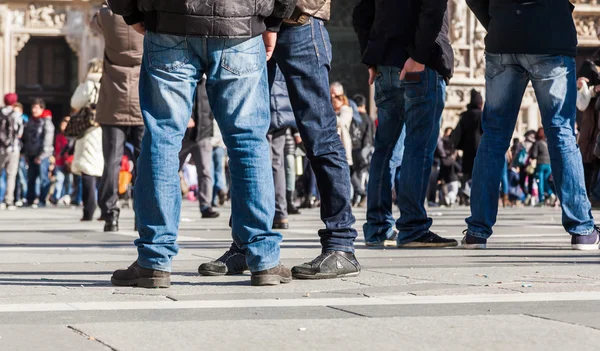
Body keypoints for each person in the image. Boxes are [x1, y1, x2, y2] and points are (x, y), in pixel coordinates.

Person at [108, 0, 297, 288]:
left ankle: (154, 259)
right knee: (248, 140)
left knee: (163, 137)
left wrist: (131, 12)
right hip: (242, 26)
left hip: (170, 21)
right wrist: (273, 21)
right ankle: (263, 257)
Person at [200, 0, 362, 281]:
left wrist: (273, 22)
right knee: (246, 138)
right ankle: (246, 243)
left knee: (319, 136)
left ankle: (341, 244)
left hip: (299, 21)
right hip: (250, 24)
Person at [463, 0, 599, 250]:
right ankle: (581, 229)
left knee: (493, 136)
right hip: (552, 36)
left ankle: (477, 232)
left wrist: (497, 21)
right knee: (561, 132)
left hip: (503, 38)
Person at [353, 0, 458, 248]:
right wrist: (419, 56)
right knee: (418, 147)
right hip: (419, 66)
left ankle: (377, 227)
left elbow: (361, 13)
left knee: (385, 148)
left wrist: (371, 59)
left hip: (386, 66)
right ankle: (413, 227)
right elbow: (433, 9)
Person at [91, 3, 145, 232]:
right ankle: (142, 213)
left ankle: (110, 214)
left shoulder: (107, 15)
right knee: (145, 162)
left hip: (113, 100)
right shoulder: (144, 15)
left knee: (111, 162)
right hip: (143, 100)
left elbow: (93, 24)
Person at [68, 59, 104, 221]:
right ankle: (108, 209)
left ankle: (89, 209)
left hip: (90, 130)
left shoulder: (90, 83)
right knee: (106, 169)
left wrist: (83, 84)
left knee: (88, 169)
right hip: (108, 126)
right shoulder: (111, 81)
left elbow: (75, 102)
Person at [179, 78, 219, 219]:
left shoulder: (209, 83)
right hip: (184, 135)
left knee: (205, 171)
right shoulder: (185, 80)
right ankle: (170, 205)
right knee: (171, 170)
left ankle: (206, 206)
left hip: (204, 133)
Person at [268, 64, 297, 229]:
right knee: (277, 163)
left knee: (261, 160)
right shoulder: (283, 52)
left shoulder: (260, 45)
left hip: (264, 108)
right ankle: (281, 213)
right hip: (282, 110)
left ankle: (264, 212)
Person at [576, 56, 600, 201]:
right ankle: (588, 196)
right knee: (589, 159)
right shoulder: (589, 65)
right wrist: (588, 89)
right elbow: (582, 103)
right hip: (592, 122)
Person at [22, 98, 54, 208]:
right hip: (31, 153)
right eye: (33, 108)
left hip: (42, 155)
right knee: (31, 178)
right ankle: (30, 199)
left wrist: (41, 155)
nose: (34, 110)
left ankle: (42, 200)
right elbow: (27, 138)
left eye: (36, 108)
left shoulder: (46, 122)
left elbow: (48, 140)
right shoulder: (30, 121)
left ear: (42, 108)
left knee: (43, 178)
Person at [451, 89, 483, 184]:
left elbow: (457, 135)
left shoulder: (465, 116)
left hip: (468, 153)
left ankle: (467, 197)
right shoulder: (482, 116)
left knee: (467, 178)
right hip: (481, 151)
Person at [350, 94, 375, 207]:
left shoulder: (353, 116)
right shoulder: (368, 119)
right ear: (364, 104)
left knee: (352, 173)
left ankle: (359, 196)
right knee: (359, 174)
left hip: (353, 148)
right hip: (363, 149)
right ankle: (359, 197)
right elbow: (370, 136)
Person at [0, 93, 24, 210]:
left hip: (0, 148)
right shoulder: (17, 115)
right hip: (13, 148)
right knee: (11, 175)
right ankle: (9, 200)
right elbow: (20, 133)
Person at [529, 128, 556, 206]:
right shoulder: (547, 142)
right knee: (546, 181)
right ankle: (551, 194)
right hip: (549, 164)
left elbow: (534, 155)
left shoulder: (537, 143)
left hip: (541, 164)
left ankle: (541, 199)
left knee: (540, 182)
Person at [330, 82, 354, 171]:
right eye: (331, 93)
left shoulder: (346, 110)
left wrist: (328, 113)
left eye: (335, 95)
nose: (332, 96)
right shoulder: (331, 109)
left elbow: (341, 122)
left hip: (342, 150)